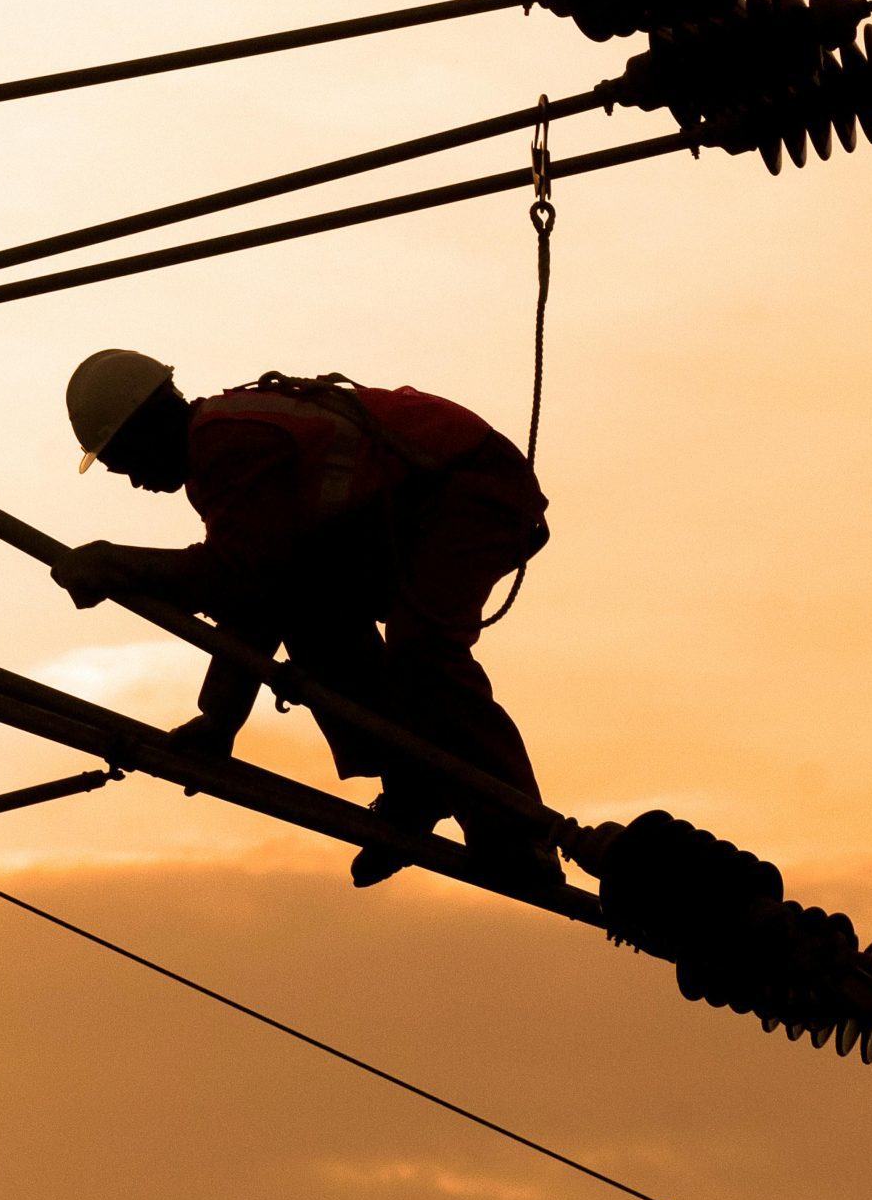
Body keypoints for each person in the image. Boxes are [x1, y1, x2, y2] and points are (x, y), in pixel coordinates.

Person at [49, 349, 556, 888]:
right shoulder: (222, 445)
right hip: (410, 512)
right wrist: (220, 720)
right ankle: (414, 781)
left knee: (423, 648)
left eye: (125, 462)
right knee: (312, 615)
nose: (134, 483)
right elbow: (264, 593)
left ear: (145, 428)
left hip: (468, 491)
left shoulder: (227, 443)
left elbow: (238, 578)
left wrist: (119, 564)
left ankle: (517, 833)